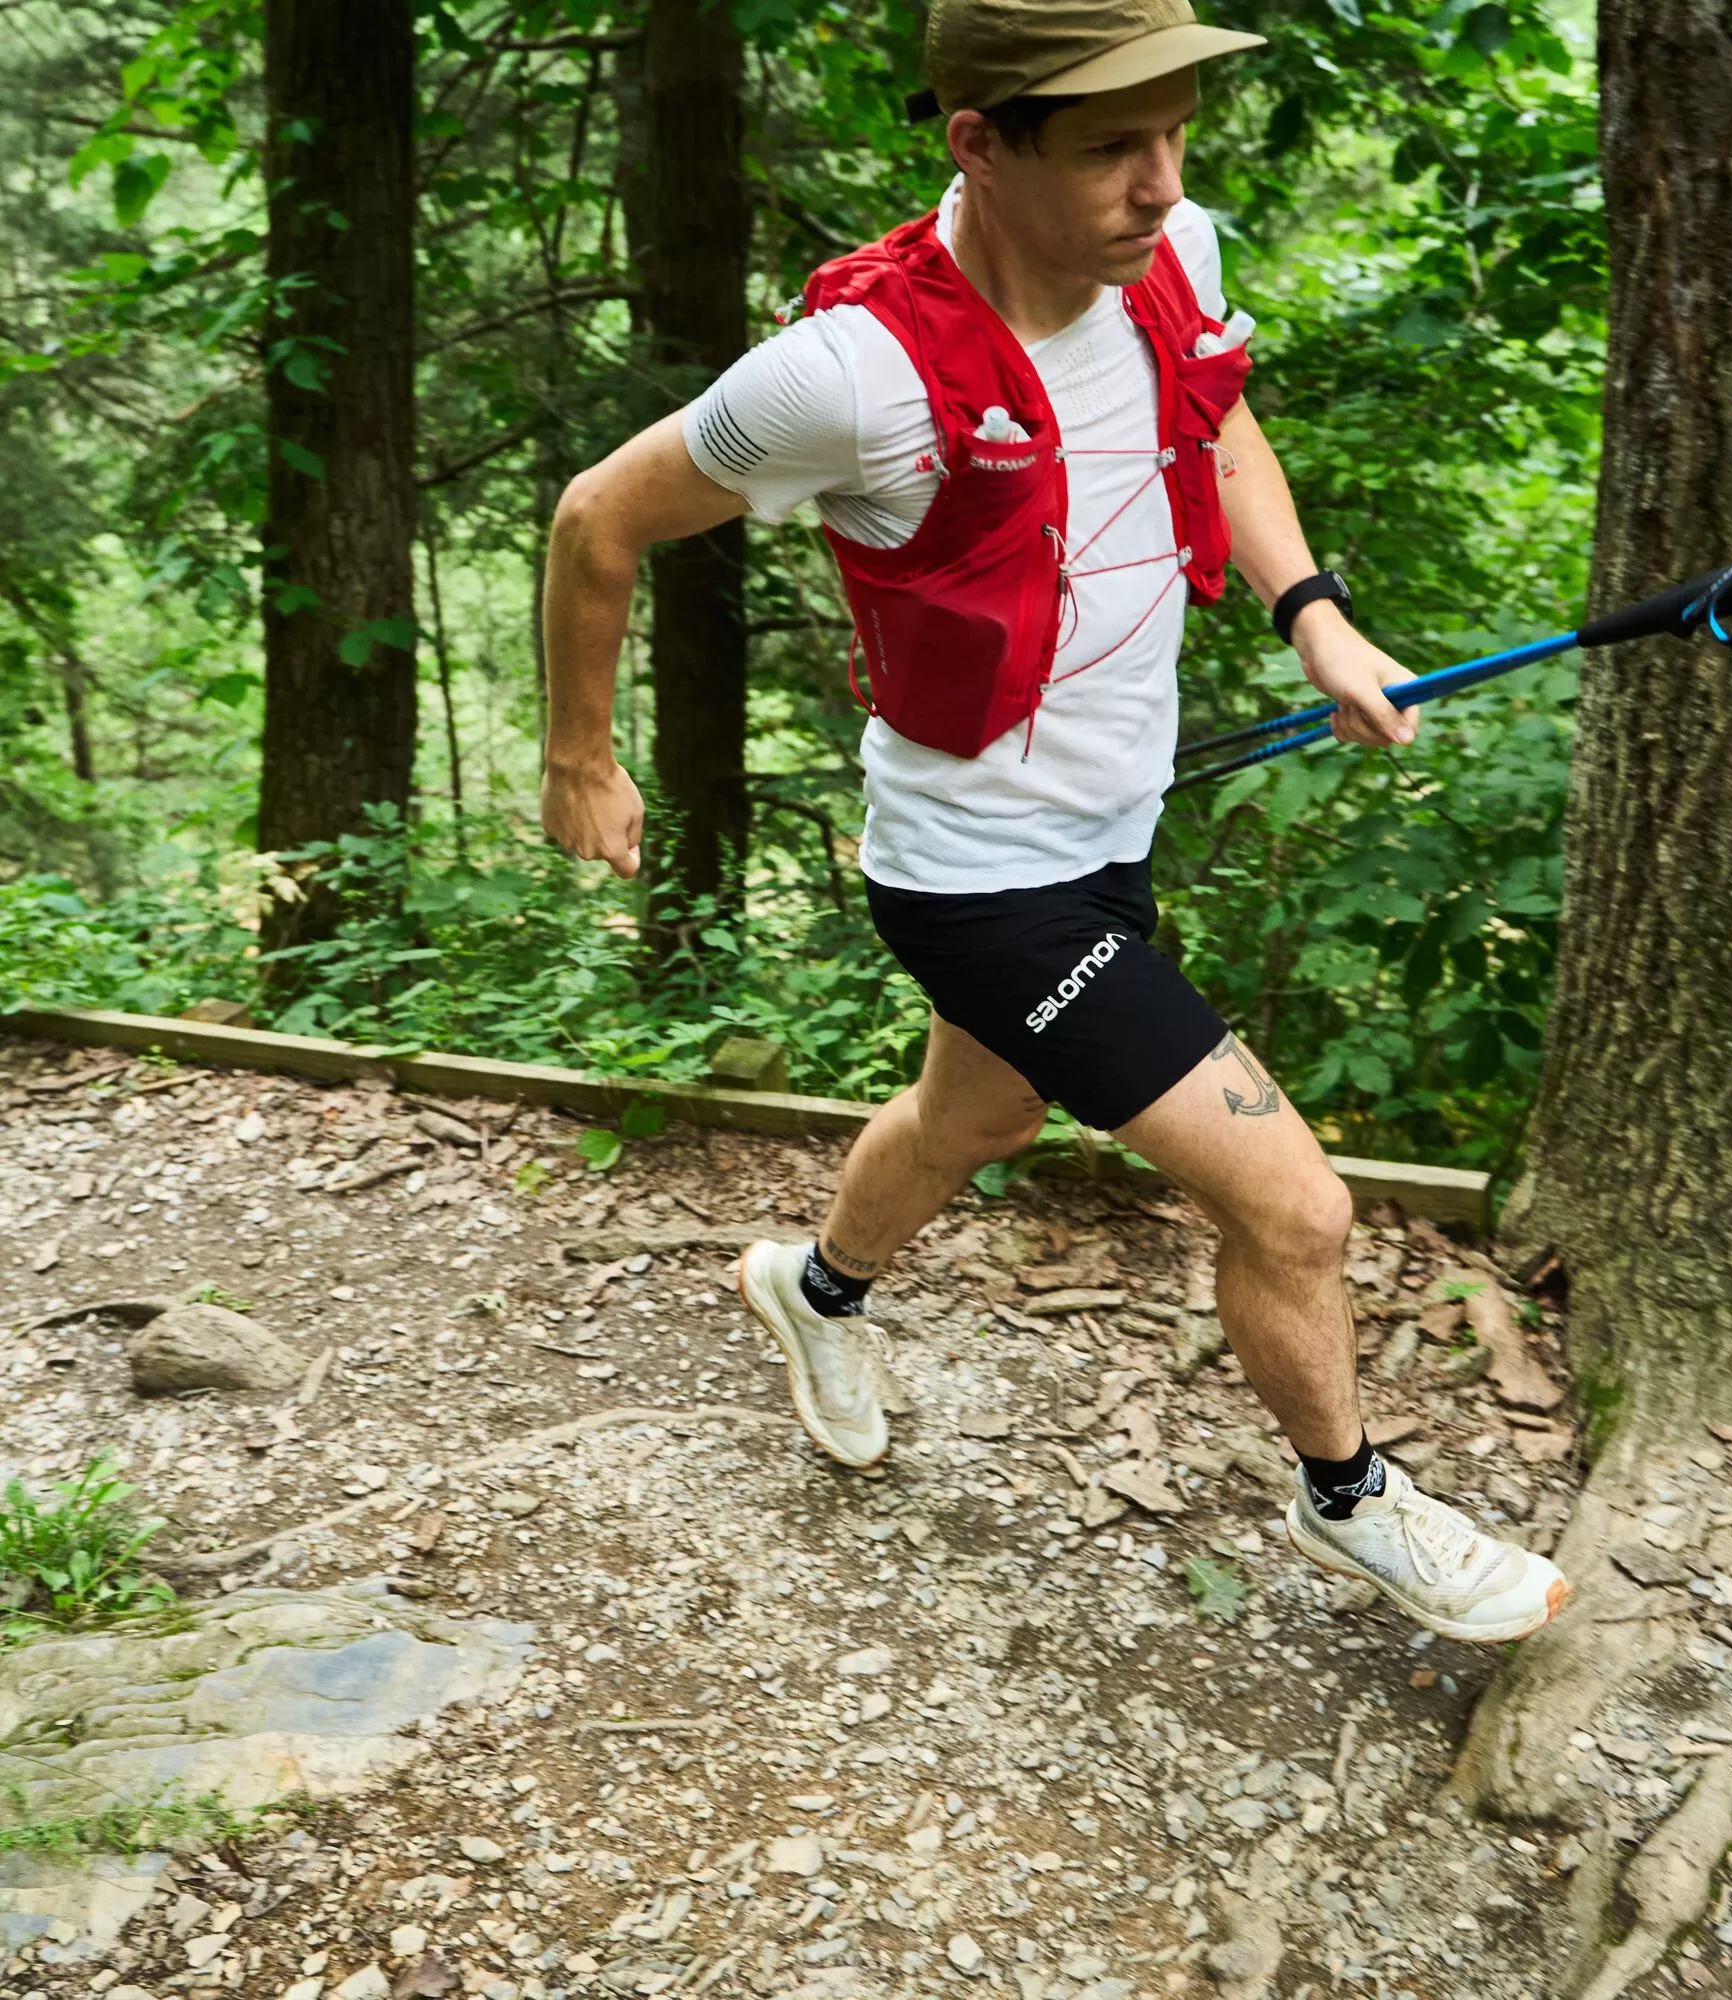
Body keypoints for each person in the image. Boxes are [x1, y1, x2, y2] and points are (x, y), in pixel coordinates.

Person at [540, 0, 1569, 1646]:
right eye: (1110, 147)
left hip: (1110, 827)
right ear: (981, 146)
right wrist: (582, 758)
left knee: (979, 1122)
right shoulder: (850, 374)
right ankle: (1353, 1501)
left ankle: (810, 1296)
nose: (1160, 185)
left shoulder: (1169, 252)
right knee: (1296, 1205)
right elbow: (599, 515)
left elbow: (1215, 413)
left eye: (1175, 135)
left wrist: (1310, 611)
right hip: (979, 882)